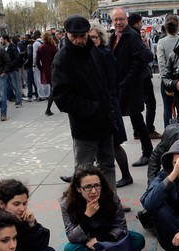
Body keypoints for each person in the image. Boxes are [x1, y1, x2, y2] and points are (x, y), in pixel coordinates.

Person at [52, 15, 117, 191]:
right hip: (84, 127)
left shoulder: (93, 51)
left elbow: (103, 83)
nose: (80, 40)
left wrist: (107, 108)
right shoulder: (62, 59)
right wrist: (92, 109)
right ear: (66, 34)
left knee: (108, 166)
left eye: (83, 35)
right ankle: (84, 209)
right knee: (83, 172)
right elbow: (62, 98)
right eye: (75, 36)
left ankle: (111, 203)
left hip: (104, 122)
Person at [60, 164, 145, 251]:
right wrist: (86, 216)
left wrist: (101, 240)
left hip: (109, 239)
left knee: (138, 240)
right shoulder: (67, 204)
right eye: (88, 187)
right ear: (78, 188)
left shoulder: (110, 197)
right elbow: (72, 237)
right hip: (86, 244)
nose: (94, 191)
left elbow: (121, 226)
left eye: (97, 185)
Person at [89, 21, 133, 189]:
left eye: (94, 37)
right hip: (102, 105)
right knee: (97, 145)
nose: (91, 40)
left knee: (113, 143)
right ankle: (83, 174)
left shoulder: (105, 55)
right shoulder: (90, 55)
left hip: (109, 106)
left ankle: (126, 175)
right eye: (89, 37)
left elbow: (110, 83)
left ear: (100, 37)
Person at [109, 8, 154, 168]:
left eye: (121, 19)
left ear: (126, 20)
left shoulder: (132, 36)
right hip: (119, 85)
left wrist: (126, 81)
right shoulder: (114, 36)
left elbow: (139, 61)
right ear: (112, 21)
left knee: (137, 120)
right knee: (134, 120)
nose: (119, 22)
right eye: (116, 20)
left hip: (130, 87)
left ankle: (148, 153)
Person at [156, 14, 179, 128]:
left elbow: (161, 62)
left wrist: (164, 78)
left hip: (167, 80)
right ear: (178, 26)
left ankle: (168, 131)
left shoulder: (161, 42)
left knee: (167, 107)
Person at [35, 32, 57, 116]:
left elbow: (37, 61)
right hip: (54, 69)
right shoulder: (53, 47)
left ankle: (49, 108)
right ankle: (48, 109)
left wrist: (42, 69)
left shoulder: (40, 48)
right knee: (53, 89)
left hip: (45, 70)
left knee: (53, 88)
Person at [1, 34, 23, 109]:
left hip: (13, 69)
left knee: (16, 85)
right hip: (8, 69)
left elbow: (17, 57)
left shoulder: (12, 47)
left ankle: (19, 100)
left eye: (2, 39)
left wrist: (11, 65)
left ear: (5, 39)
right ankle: (15, 98)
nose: (1, 41)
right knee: (11, 85)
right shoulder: (4, 48)